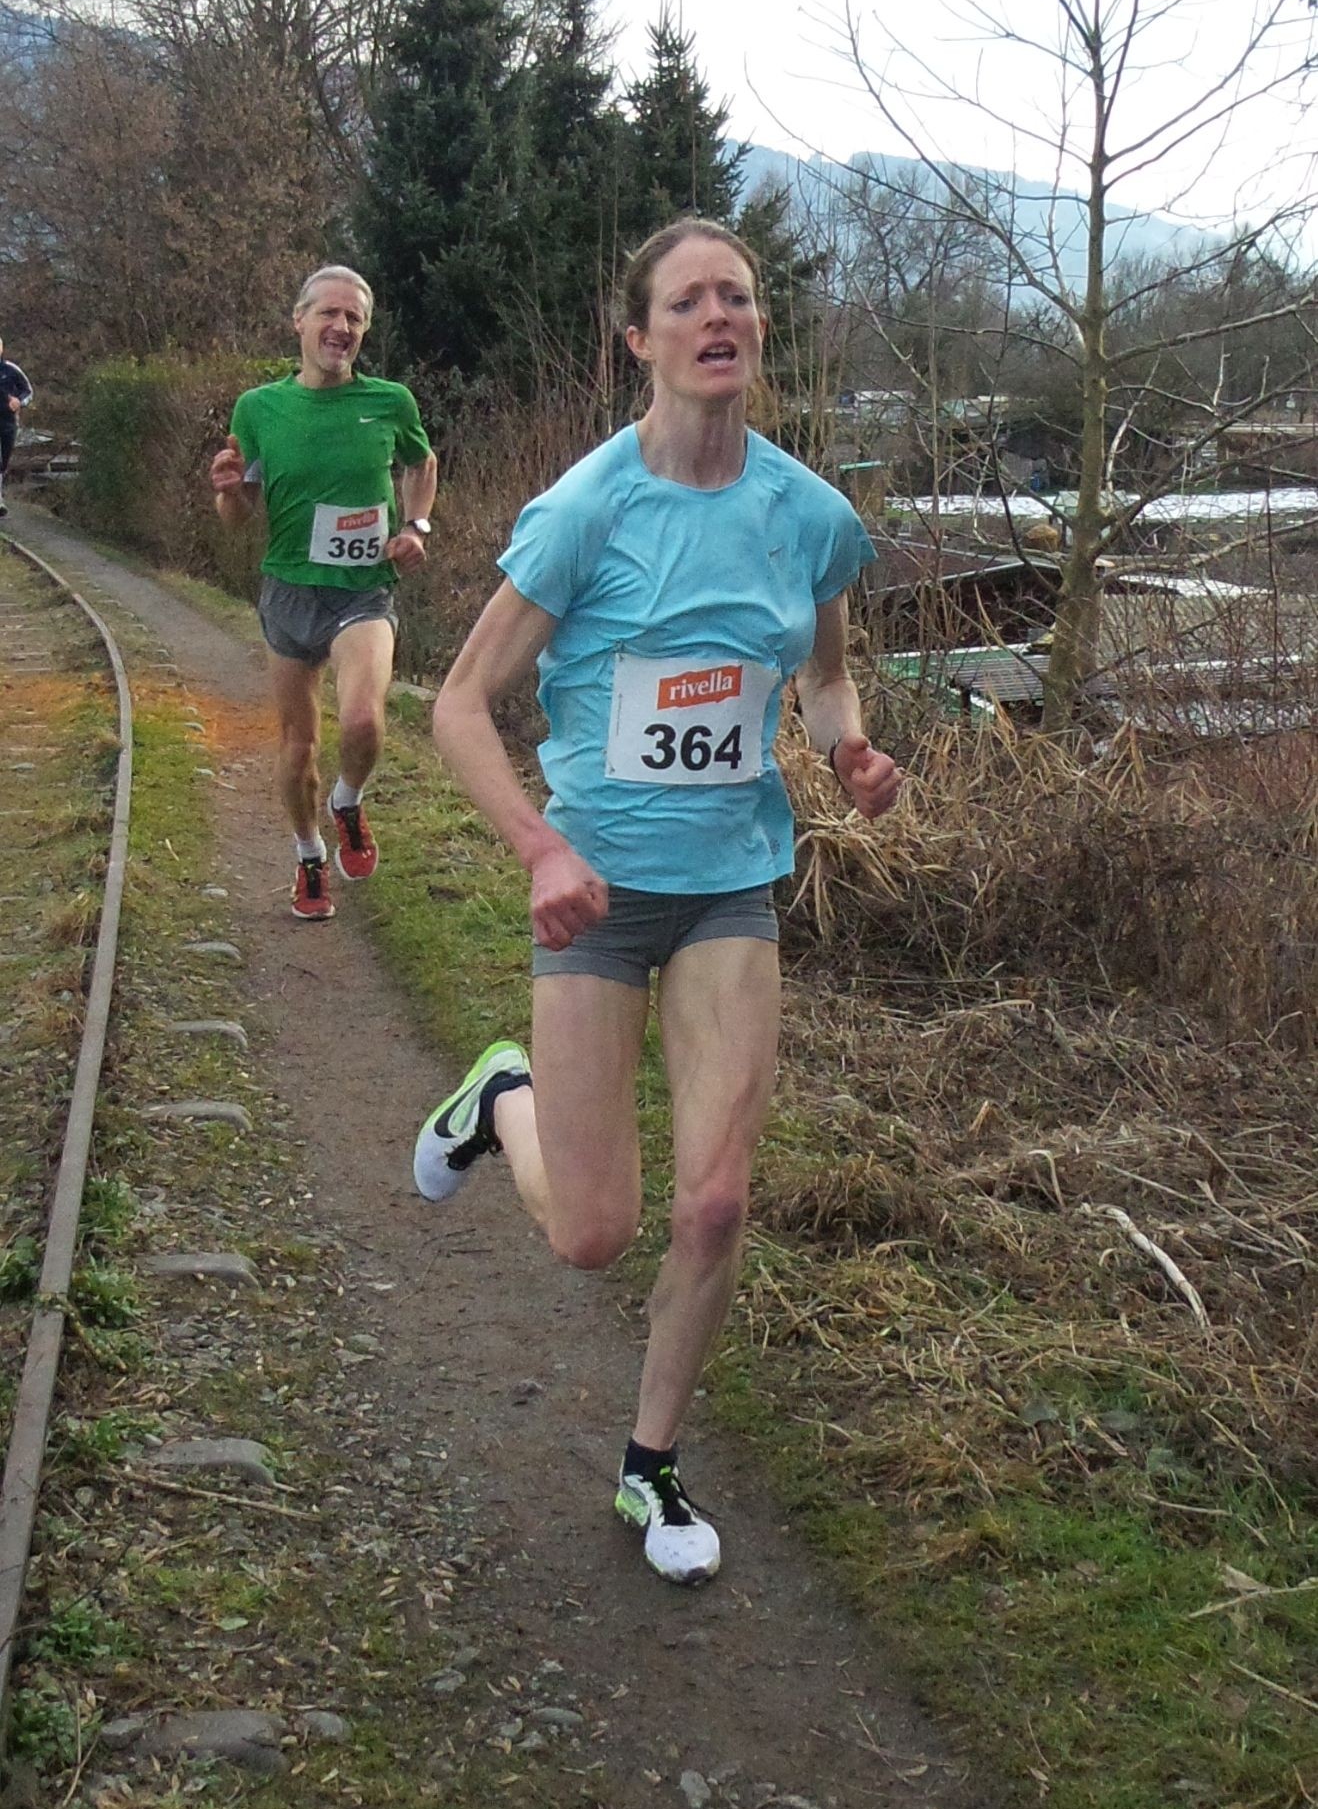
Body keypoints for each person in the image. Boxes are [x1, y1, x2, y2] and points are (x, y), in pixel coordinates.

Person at [412, 219, 902, 1585]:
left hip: (730, 889)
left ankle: (649, 1467)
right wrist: (537, 847)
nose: (716, 316)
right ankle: (497, 1096)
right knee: (590, 1232)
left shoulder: (808, 516)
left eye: (736, 296)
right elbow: (457, 708)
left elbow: (819, 678)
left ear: (756, 329)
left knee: (715, 1203)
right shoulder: (586, 512)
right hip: (598, 899)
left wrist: (846, 748)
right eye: (686, 301)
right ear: (642, 339)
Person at [209, 266, 437, 920]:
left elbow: (423, 464)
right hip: (288, 594)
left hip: (364, 593)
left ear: (364, 330)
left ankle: (348, 799)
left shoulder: (391, 401)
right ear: (300, 321)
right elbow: (239, 516)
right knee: (297, 745)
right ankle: (309, 856)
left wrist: (416, 525)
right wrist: (226, 492)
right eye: (329, 314)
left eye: (355, 319)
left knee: (363, 720)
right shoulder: (258, 408)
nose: (341, 328)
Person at [0, 337, 35, 519]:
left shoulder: (11, 370)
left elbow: (28, 391)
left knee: (3, 461)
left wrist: (19, 402)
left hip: (8, 422)